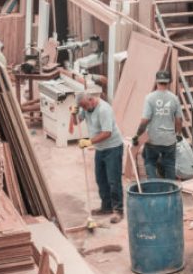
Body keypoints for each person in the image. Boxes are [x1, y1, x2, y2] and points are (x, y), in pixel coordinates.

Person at [77, 87, 126, 223]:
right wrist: (73, 114)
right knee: (101, 179)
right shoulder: (86, 108)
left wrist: (88, 142)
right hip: (100, 149)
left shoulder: (104, 109)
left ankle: (118, 210)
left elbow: (107, 133)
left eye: (85, 106)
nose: (85, 109)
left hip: (113, 148)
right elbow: (77, 121)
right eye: (82, 107)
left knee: (113, 180)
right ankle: (106, 207)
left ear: (91, 100)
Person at [132, 70, 183, 179]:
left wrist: (137, 135)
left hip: (153, 139)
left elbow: (145, 120)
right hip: (169, 140)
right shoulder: (174, 98)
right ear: (169, 82)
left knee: (150, 162)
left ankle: (153, 187)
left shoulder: (150, 98)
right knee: (169, 165)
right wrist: (178, 134)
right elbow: (179, 120)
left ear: (156, 81)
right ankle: (170, 189)